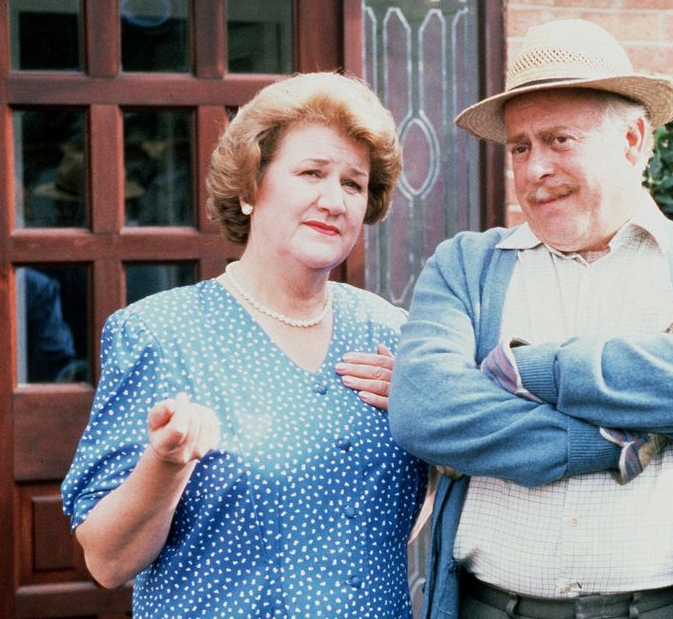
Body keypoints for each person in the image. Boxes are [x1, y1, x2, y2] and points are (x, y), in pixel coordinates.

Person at [388, 19, 673, 619]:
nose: (534, 168)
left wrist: (524, 370)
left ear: (633, 140)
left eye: (559, 140)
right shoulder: (465, 265)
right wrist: (609, 441)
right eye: (520, 146)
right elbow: (425, 412)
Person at [62, 72, 428, 618]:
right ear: (250, 188)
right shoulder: (161, 333)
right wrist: (166, 463)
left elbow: (403, 512)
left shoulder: (391, 334)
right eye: (311, 173)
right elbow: (109, 562)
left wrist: (435, 426)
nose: (334, 200)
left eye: (353, 184)